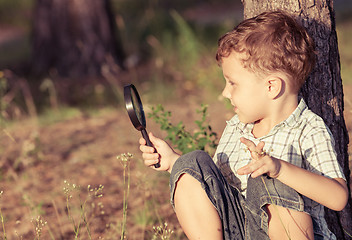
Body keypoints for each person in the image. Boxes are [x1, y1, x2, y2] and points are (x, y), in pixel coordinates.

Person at [139, 11, 348, 240]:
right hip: (239, 230)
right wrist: (173, 162)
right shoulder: (237, 127)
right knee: (192, 162)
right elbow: (216, 189)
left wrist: (280, 169)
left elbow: (337, 198)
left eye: (233, 83)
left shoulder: (308, 129)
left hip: (292, 231)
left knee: (269, 183)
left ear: (271, 87)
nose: (225, 93)